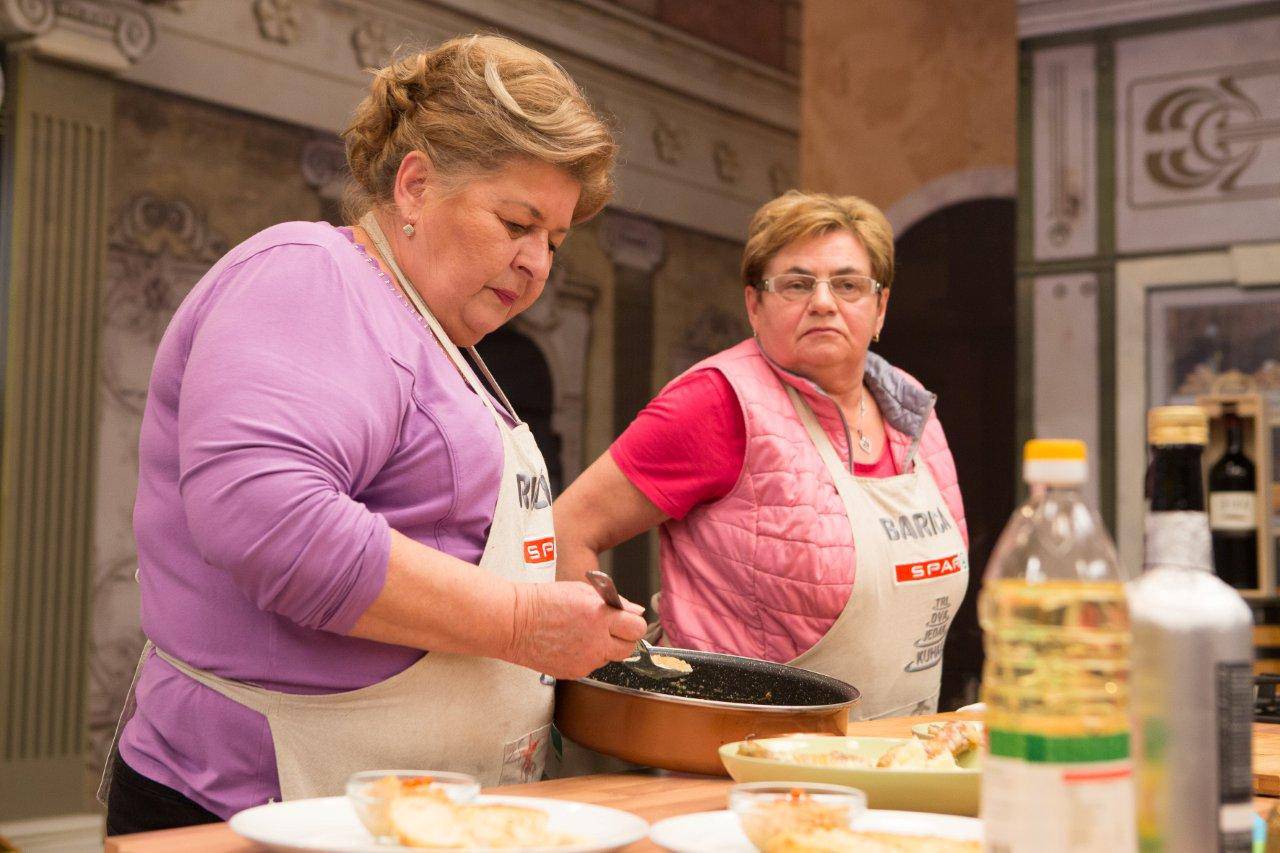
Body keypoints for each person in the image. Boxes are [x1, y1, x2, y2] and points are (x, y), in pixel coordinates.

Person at [102, 35, 646, 834]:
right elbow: (270, 522)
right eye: (516, 222)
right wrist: (527, 624)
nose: (535, 264)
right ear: (416, 185)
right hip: (255, 805)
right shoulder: (310, 276)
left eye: (553, 243)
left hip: (401, 814)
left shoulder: (447, 345)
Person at [555, 190, 968, 720]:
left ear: (880, 307)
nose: (823, 302)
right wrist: (621, 666)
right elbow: (566, 531)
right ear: (754, 304)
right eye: (796, 284)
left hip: (899, 764)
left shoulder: (913, 410)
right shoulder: (717, 401)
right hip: (737, 767)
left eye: (847, 285)